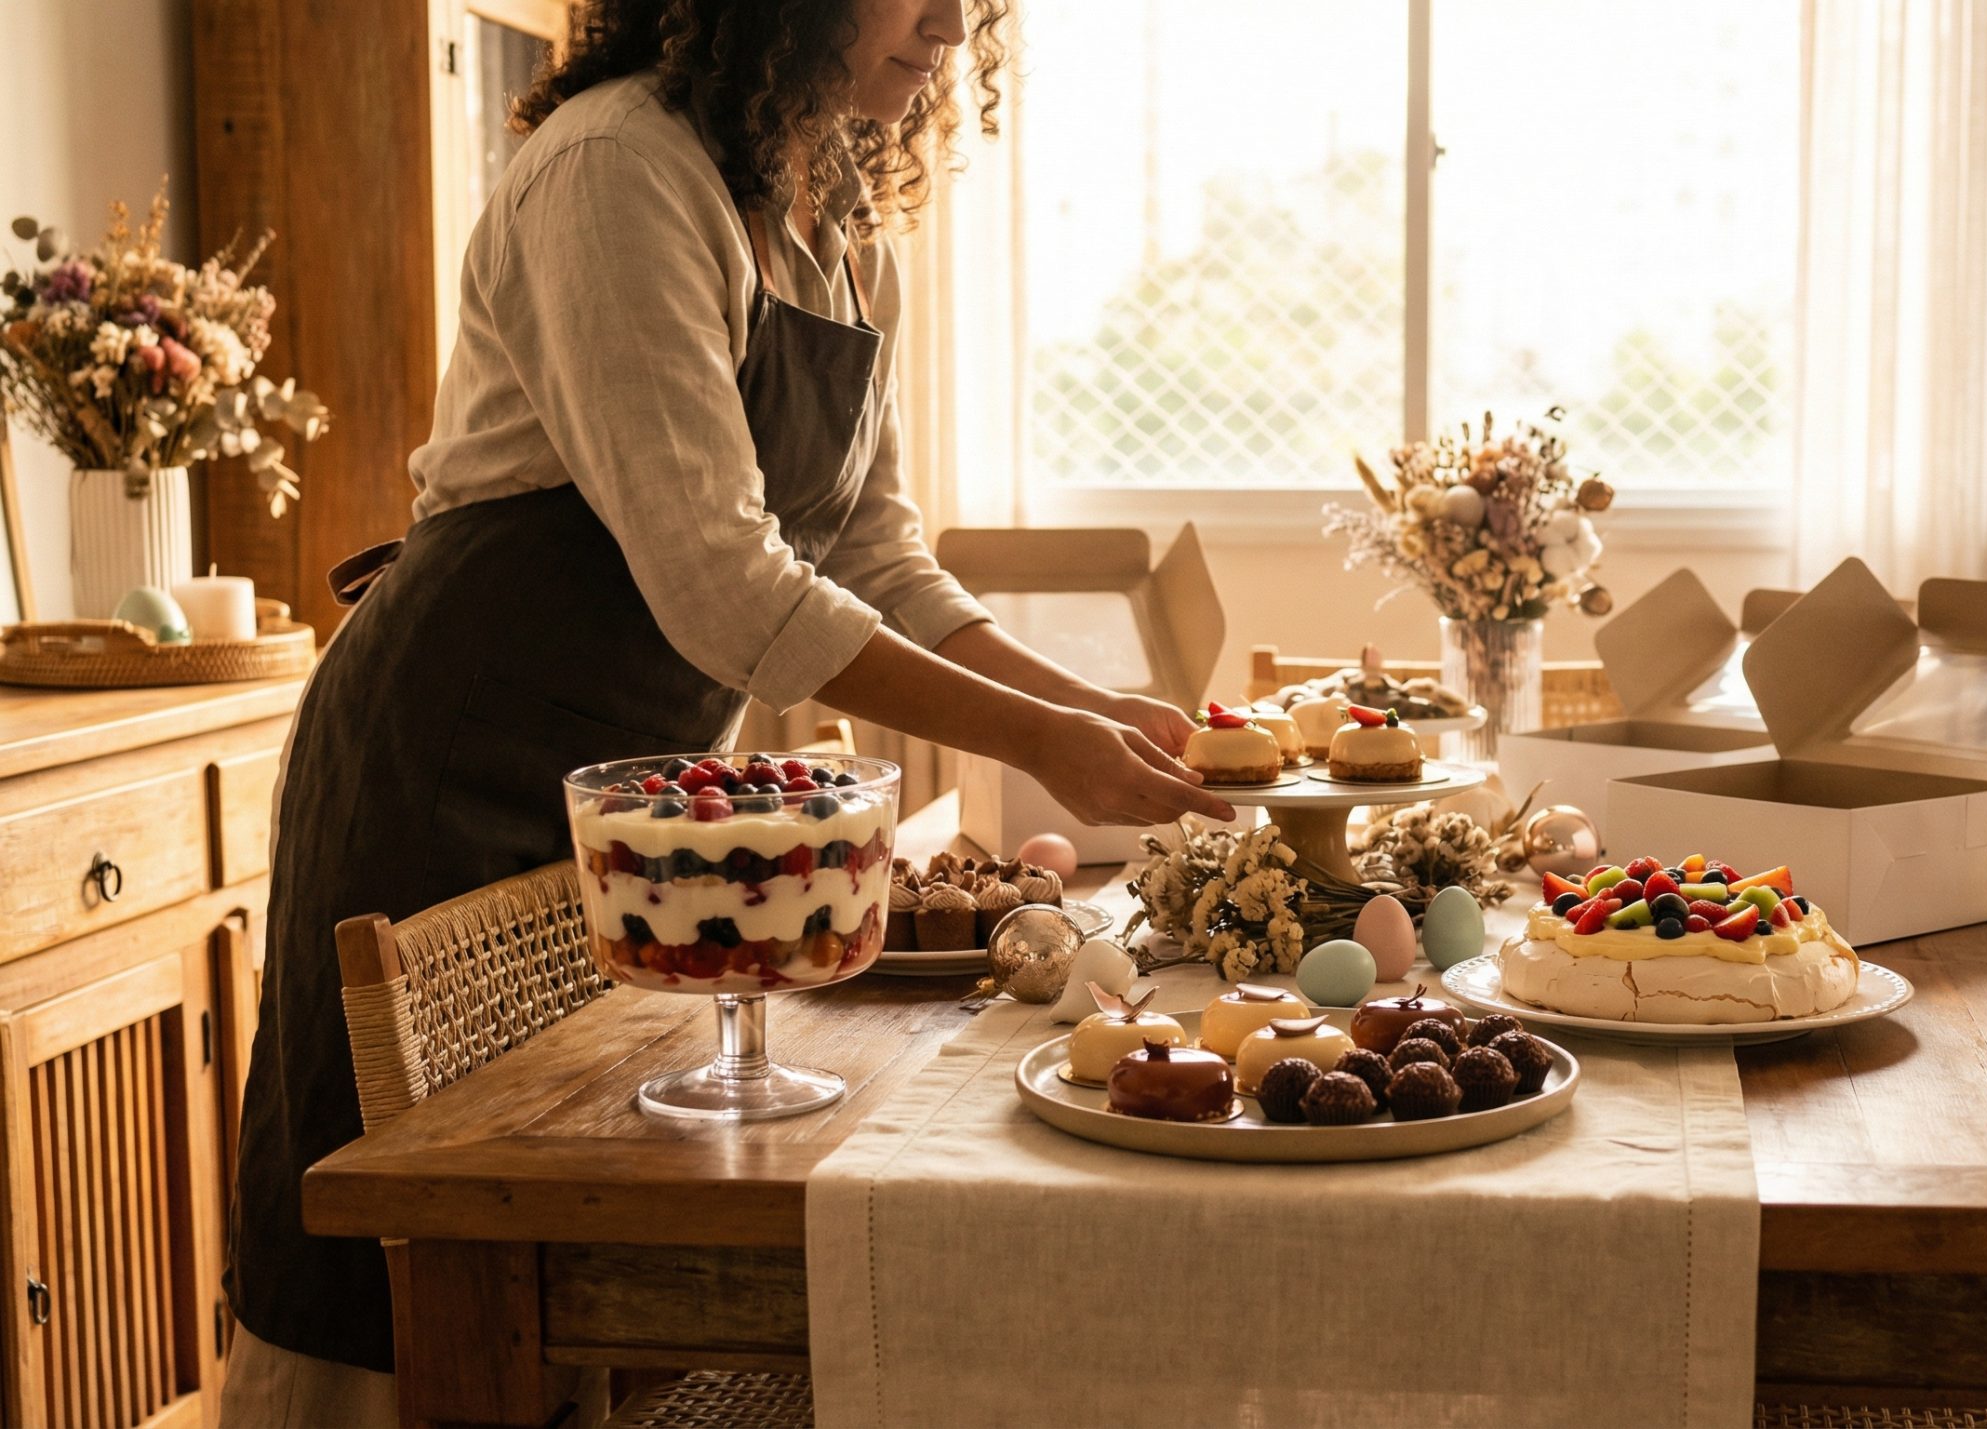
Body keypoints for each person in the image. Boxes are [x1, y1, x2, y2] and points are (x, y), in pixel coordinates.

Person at [221, 0, 1232, 1418]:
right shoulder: (614, 171)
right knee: (408, 1251)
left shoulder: (837, 222)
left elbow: (874, 557)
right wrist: (1042, 744)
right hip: (445, 761)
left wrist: (1090, 708)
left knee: (603, 1202)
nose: (951, 27)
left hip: (634, 800)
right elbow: (724, 583)